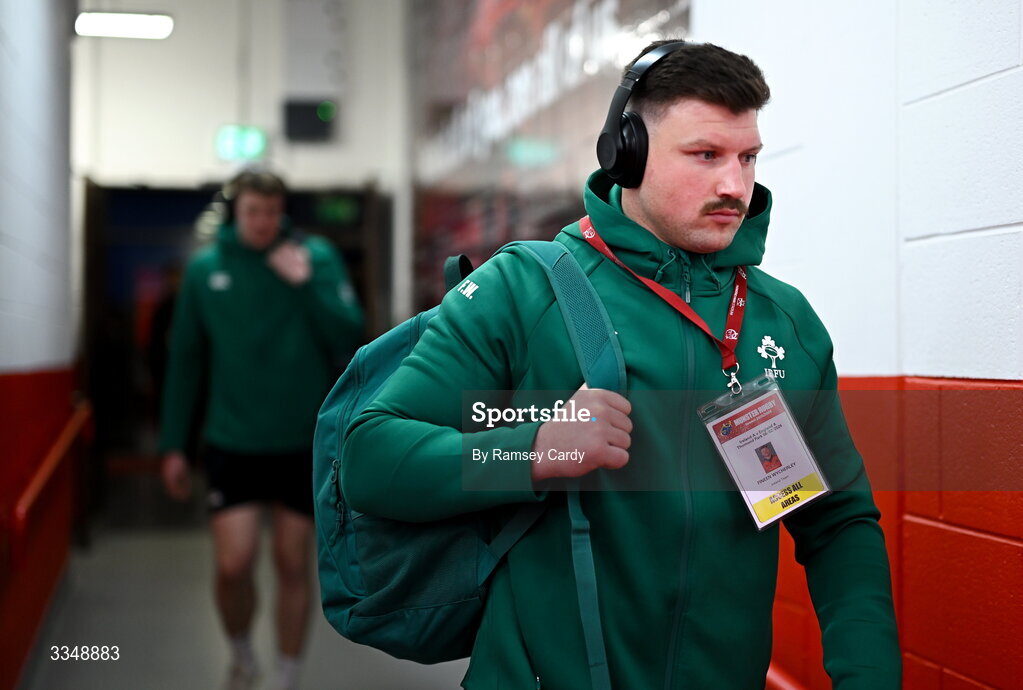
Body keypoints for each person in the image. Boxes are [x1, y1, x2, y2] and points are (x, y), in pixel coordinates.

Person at [342, 41, 900, 688]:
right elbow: (371, 456)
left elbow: (834, 523)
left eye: (747, 158)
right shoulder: (521, 291)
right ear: (625, 153)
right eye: (704, 156)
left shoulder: (782, 323)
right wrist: (531, 448)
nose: (734, 186)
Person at [159, 169, 363, 690]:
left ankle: (287, 674)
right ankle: (242, 651)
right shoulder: (207, 271)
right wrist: (173, 446)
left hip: (301, 442)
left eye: (272, 212)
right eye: (252, 212)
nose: (262, 223)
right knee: (234, 564)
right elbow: (185, 361)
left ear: (282, 211)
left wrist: (306, 282)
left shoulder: (315, 258)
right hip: (232, 439)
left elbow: (350, 331)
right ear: (237, 212)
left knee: (292, 563)